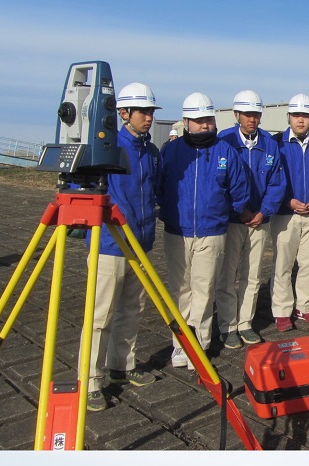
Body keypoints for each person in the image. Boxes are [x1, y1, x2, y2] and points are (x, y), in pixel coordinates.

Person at [83, 82, 162, 412]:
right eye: (143, 112)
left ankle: (121, 366)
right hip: (110, 245)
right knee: (100, 314)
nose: (148, 118)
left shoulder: (152, 152)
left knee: (133, 309)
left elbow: (153, 193)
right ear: (123, 113)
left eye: (151, 112)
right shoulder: (108, 147)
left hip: (140, 244)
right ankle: (89, 379)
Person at [157, 92, 249, 367]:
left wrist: (219, 214)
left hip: (212, 232)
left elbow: (240, 191)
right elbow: (160, 188)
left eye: (208, 119)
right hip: (177, 231)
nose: (204, 125)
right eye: (198, 121)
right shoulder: (171, 152)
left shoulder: (225, 152)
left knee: (204, 290)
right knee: (180, 289)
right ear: (186, 122)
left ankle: (200, 345)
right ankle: (180, 345)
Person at [215, 91, 286, 349]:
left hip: (259, 220)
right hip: (234, 221)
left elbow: (277, 183)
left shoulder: (269, 143)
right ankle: (227, 325)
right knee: (228, 274)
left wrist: (263, 212)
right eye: (247, 114)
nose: (252, 119)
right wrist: (239, 210)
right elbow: (219, 183)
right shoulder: (223, 141)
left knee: (253, 275)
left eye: (256, 114)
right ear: (236, 115)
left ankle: (245, 322)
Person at [270, 95, 309, 332]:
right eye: (296, 115)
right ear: (288, 117)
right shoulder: (275, 143)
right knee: (283, 264)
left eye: (305, 116)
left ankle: (304, 306)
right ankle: (282, 310)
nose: (300, 120)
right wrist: (287, 201)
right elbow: (272, 178)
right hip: (285, 214)